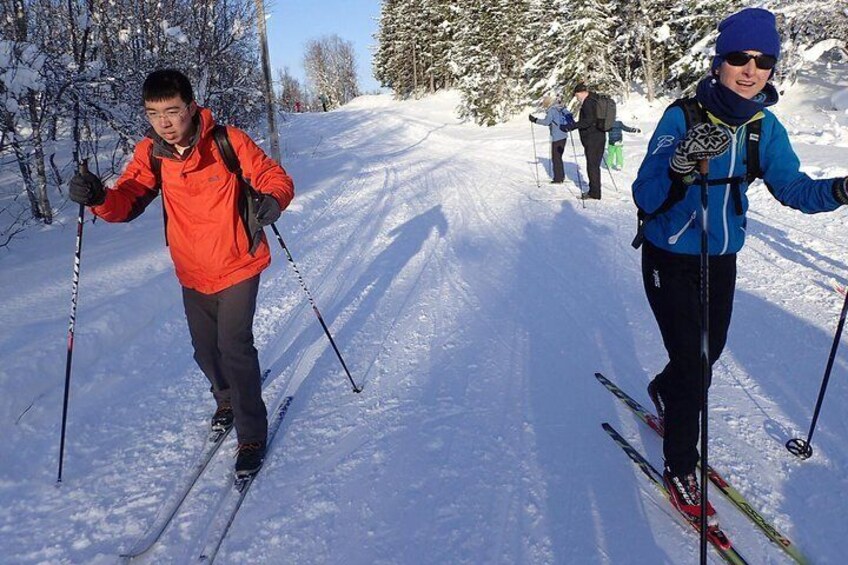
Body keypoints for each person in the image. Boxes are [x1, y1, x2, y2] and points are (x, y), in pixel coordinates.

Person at [632, 7, 848, 524]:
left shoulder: (762, 128)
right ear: (719, 61)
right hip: (670, 256)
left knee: (706, 358)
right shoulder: (682, 116)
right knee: (693, 362)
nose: (750, 69)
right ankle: (680, 464)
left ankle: (665, 392)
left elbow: (793, 188)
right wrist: (681, 166)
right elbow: (644, 193)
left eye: (763, 60)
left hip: (721, 258)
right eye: (738, 57)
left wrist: (841, 189)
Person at [68, 69, 295, 478]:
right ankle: (224, 397)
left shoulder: (227, 141)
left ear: (191, 107)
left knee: (235, 347)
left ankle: (251, 433)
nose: (165, 122)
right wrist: (98, 197)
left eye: (172, 111)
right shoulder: (151, 154)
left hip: (238, 262)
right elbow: (127, 201)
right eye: (154, 114)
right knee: (205, 350)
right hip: (192, 269)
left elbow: (272, 177)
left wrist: (273, 200)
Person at [560, 83, 606, 199]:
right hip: (599, 136)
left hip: (592, 138)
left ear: (581, 93)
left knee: (592, 166)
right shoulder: (595, 99)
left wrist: (571, 126)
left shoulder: (588, 103)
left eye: (576, 95)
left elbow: (588, 121)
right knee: (594, 165)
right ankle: (595, 190)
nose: (577, 98)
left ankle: (594, 193)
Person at [529, 95, 573, 184]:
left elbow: (546, 122)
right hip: (564, 136)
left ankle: (558, 178)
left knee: (556, 158)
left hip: (556, 137)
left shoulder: (552, 110)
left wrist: (535, 120)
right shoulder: (564, 109)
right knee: (559, 157)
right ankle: (561, 176)